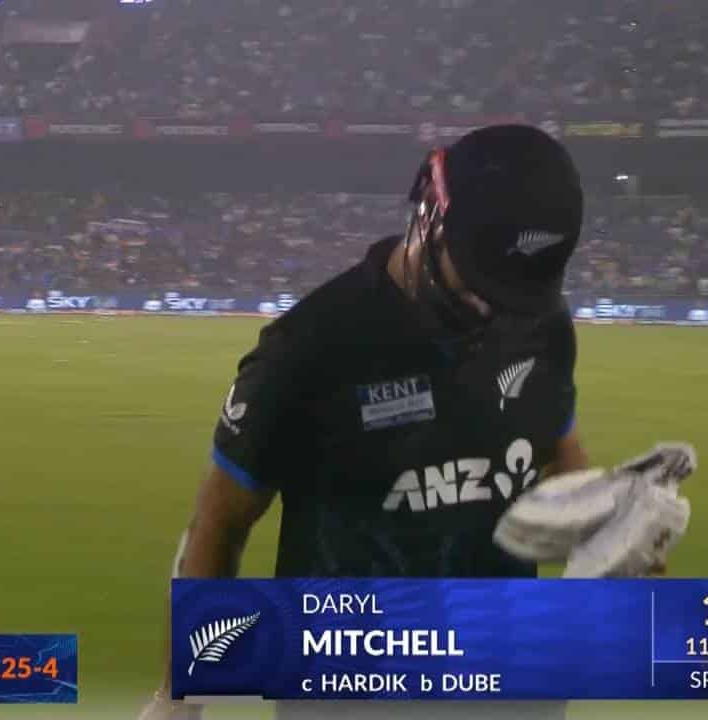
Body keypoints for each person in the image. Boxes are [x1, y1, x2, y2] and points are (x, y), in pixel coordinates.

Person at [138, 124, 659, 720]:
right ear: (429, 218)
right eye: (480, 284)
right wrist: (179, 697)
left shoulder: (539, 323)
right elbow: (220, 521)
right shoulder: (307, 349)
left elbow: (556, 452)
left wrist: (603, 532)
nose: (494, 309)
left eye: (516, 294)